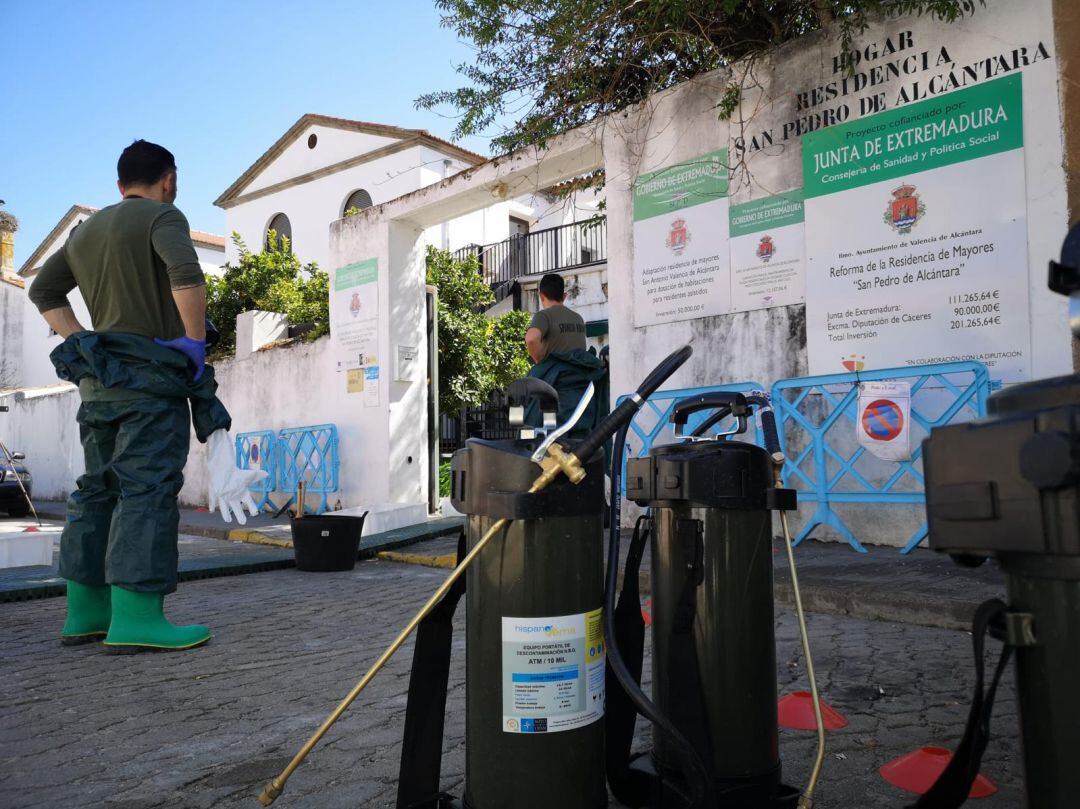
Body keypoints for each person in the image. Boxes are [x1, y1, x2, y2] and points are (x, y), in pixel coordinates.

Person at [28, 140, 259, 653]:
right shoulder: (164, 218)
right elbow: (186, 275)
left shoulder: (83, 233)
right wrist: (195, 346)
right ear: (169, 181)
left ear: (118, 185)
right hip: (150, 387)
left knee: (95, 491)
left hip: (98, 387)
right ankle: (137, 618)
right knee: (146, 491)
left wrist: (79, 340)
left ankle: (85, 613)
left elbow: (42, 291)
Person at [524, 274, 608, 450]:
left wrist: (540, 361)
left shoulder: (543, 316)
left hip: (555, 389)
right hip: (580, 393)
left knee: (541, 435)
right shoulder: (578, 319)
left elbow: (531, 339)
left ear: (541, 296)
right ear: (564, 296)